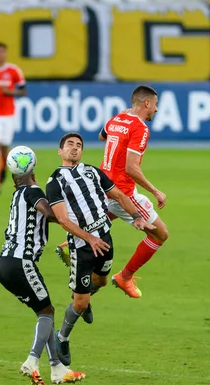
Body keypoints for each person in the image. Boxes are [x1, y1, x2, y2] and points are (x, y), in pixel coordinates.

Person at [46, 133, 155, 366]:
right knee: (81, 303)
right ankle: (61, 337)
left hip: (104, 238)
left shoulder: (93, 172)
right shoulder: (54, 182)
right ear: (60, 151)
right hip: (81, 246)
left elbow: (118, 195)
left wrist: (137, 216)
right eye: (69, 145)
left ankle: (81, 297)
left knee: (102, 281)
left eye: (79, 145)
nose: (75, 149)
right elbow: (63, 220)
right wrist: (89, 238)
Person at [55, 86, 169, 300]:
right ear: (146, 104)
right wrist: (156, 191)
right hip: (122, 192)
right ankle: (125, 277)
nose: (156, 109)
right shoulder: (141, 128)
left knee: (106, 216)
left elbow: (101, 136)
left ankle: (68, 246)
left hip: (101, 184)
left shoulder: (118, 118)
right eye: (155, 104)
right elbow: (131, 168)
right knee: (160, 234)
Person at [0, 168, 85, 385]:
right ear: (32, 176)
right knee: (46, 313)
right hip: (21, 263)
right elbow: (50, 213)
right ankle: (32, 360)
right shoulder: (33, 191)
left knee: (44, 311)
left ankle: (57, 368)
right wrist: (70, 217)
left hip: (4, 264)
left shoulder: (17, 194)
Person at [0, 42, 27, 195]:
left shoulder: (13, 71)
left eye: (1, 52)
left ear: (5, 54)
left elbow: (23, 91)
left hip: (8, 115)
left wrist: (9, 92)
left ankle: (3, 168)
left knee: (4, 148)